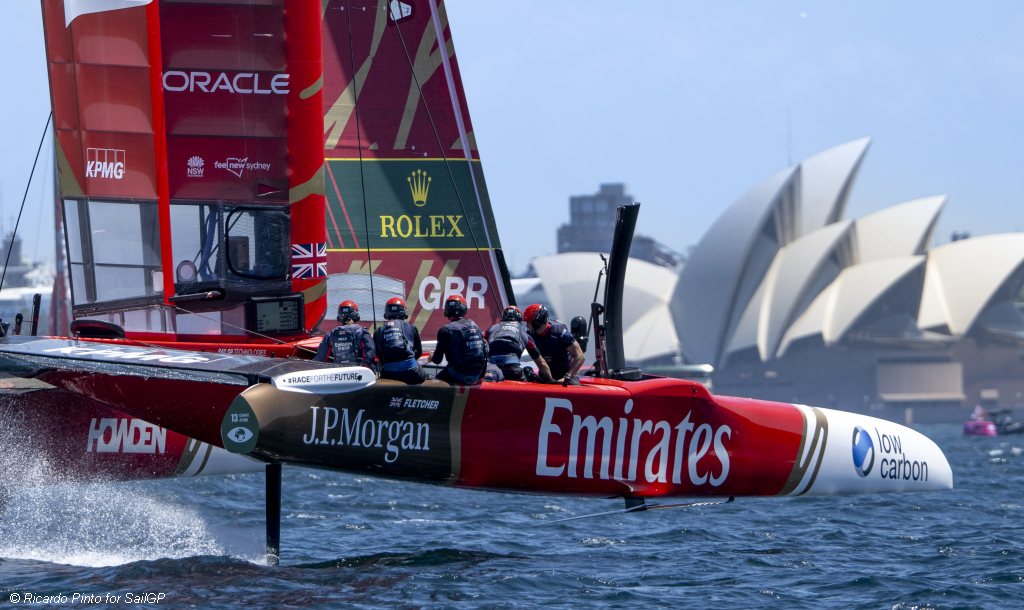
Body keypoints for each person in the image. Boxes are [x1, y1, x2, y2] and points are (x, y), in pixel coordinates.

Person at [486, 305, 554, 382]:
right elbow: (541, 363)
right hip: (513, 371)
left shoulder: (491, 329)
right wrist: (551, 380)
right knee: (528, 371)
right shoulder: (524, 334)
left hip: (492, 370)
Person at [431, 295, 489, 385]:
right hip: (477, 375)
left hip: (459, 375)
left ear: (447, 309)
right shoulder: (474, 325)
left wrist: (432, 357)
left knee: (434, 380)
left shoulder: (445, 330)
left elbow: (437, 360)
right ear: (464, 309)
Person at [523, 303, 585, 385]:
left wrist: (567, 377)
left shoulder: (559, 332)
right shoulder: (529, 335)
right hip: (545, 377)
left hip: (566, 378)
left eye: (529, 322)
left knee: (574, 386)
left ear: (537, 321)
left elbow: (580, 356)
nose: (527, 326)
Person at [373, 297, 428, 384]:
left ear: (387, 312)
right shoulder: (411, 327)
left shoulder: (378, 331)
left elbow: (379, 355)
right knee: (425, 376)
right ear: (403, 311)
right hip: (411, 371)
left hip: (389, 373)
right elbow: (419, 351)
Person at [314, 300, 375, 368]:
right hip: (358, 372)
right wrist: (363, 366)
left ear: (338, 317)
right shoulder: (362, 332)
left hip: (339, 372)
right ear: (356, 316)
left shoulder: (330, 335)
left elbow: (320, 358)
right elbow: (371, 352)